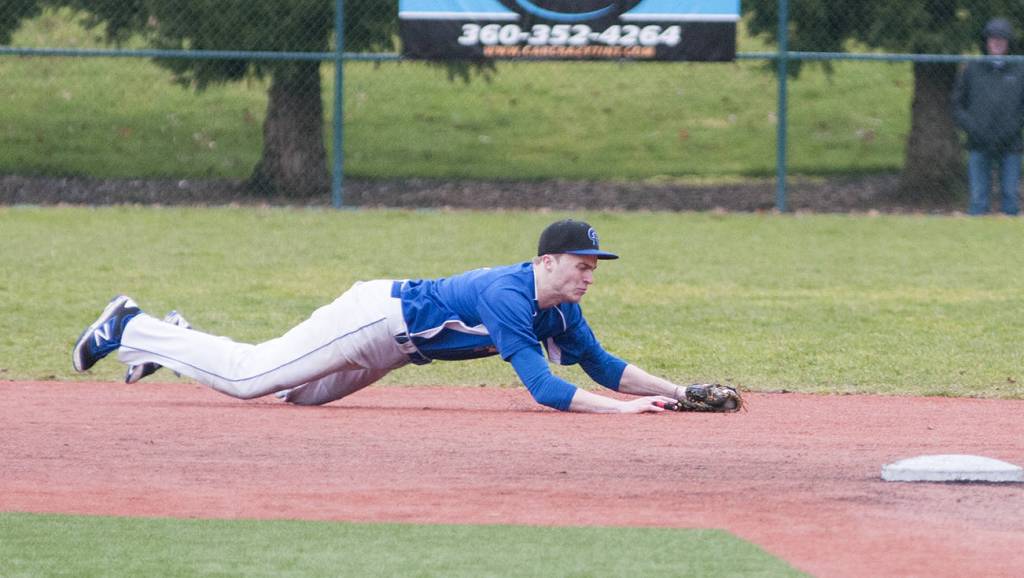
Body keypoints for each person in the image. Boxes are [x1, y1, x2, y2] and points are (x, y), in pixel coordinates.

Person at [72, 219, 697, 413]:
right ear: (546, 261)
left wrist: (679, 393)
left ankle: (172, 343)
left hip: (397, 348)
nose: (590, 273)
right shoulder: (510, 295)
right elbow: (542, 387)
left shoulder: (559, 309)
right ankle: (128, 324)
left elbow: (604, 367)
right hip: (374, 317)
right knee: (248, 380)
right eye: (581, 263)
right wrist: (622, 413)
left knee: (298, 398)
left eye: (595, 265)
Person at [952, 17, 1024, 216]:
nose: (997, 43)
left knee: (1010, 194)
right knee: (978, 198)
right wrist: (973, 128)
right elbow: (957, 105)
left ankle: (1009, 237)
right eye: (993, 39)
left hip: (1011, 144)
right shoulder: (972, 69)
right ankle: (975, 238)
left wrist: (1012, 128)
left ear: (1009, 42)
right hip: (978, 142)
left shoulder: (1020, 70)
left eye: (1002, 39)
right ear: (986, 42)